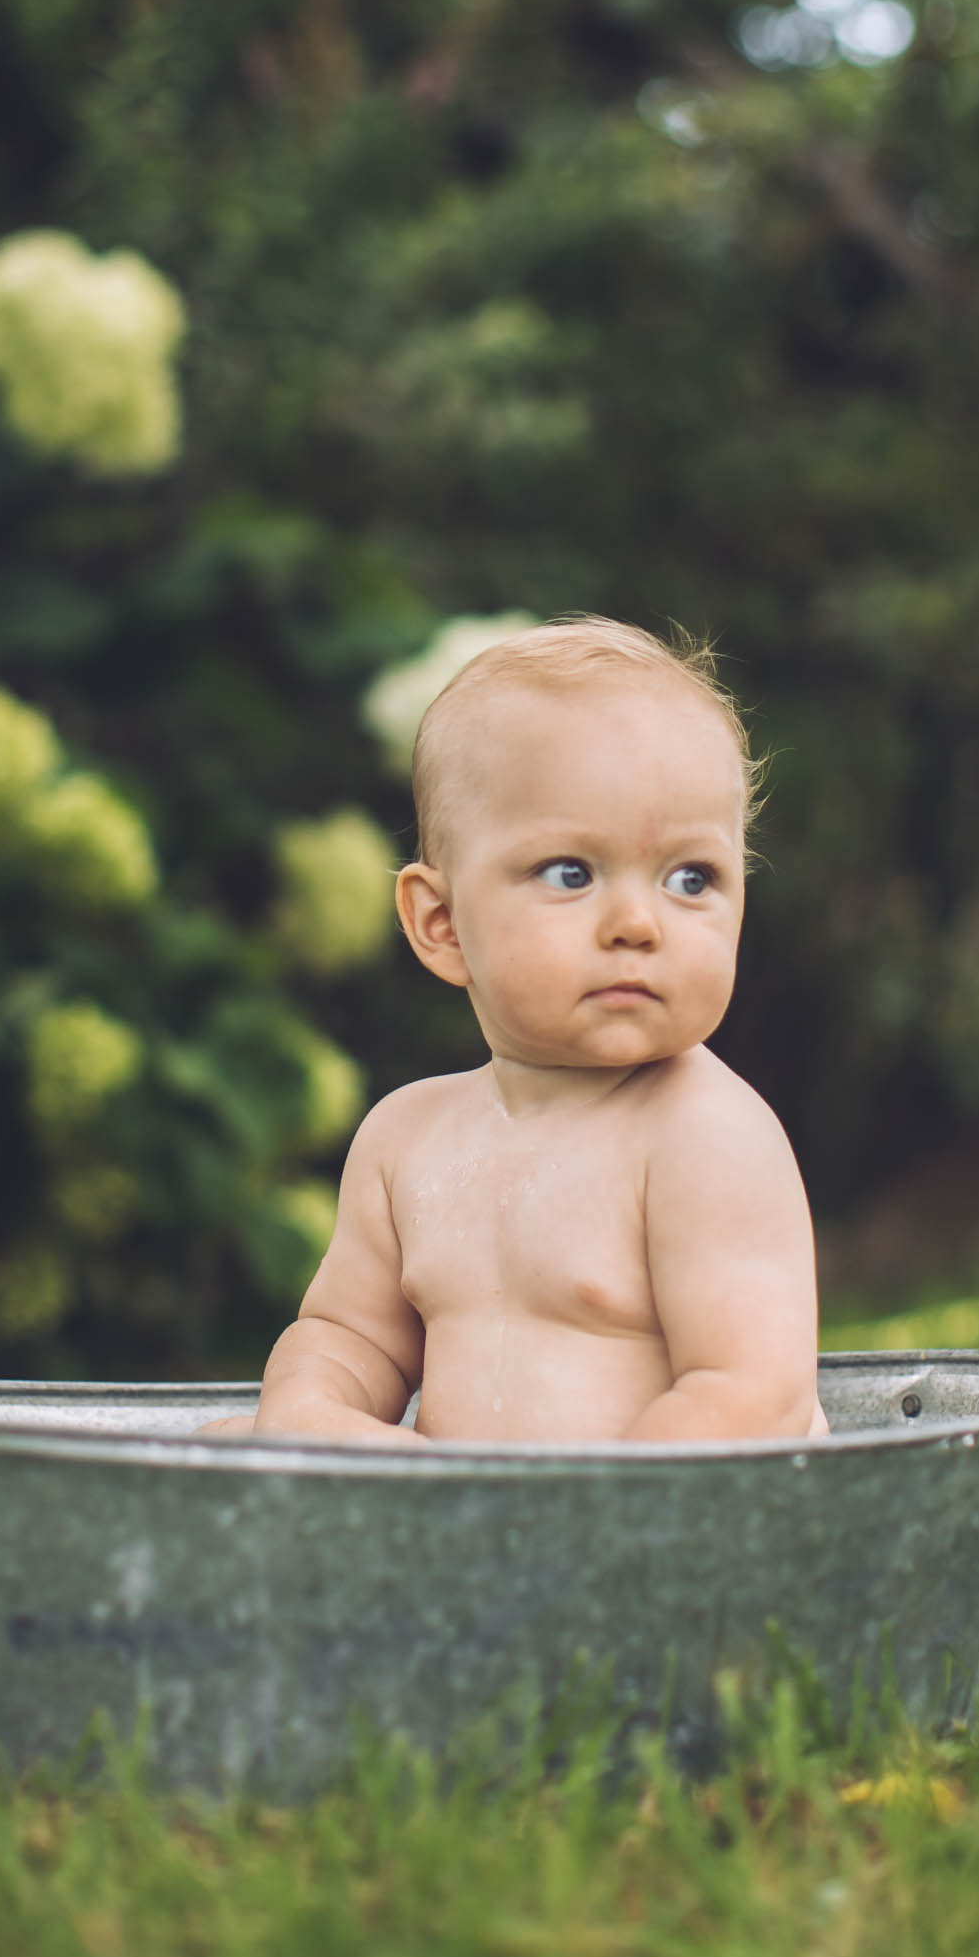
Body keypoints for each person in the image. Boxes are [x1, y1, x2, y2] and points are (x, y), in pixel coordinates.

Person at [229, 618, 828, 1447]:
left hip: (664, 1538)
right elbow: (351, 1339)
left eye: (692, 878)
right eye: (571, 873)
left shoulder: (705, 1135)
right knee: (227, 1439)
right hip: (470, 1532)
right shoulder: (406, 1141)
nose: (637, 923)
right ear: (440, 924)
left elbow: (751, 1394)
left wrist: (592, 1525)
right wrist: (309, 1410)